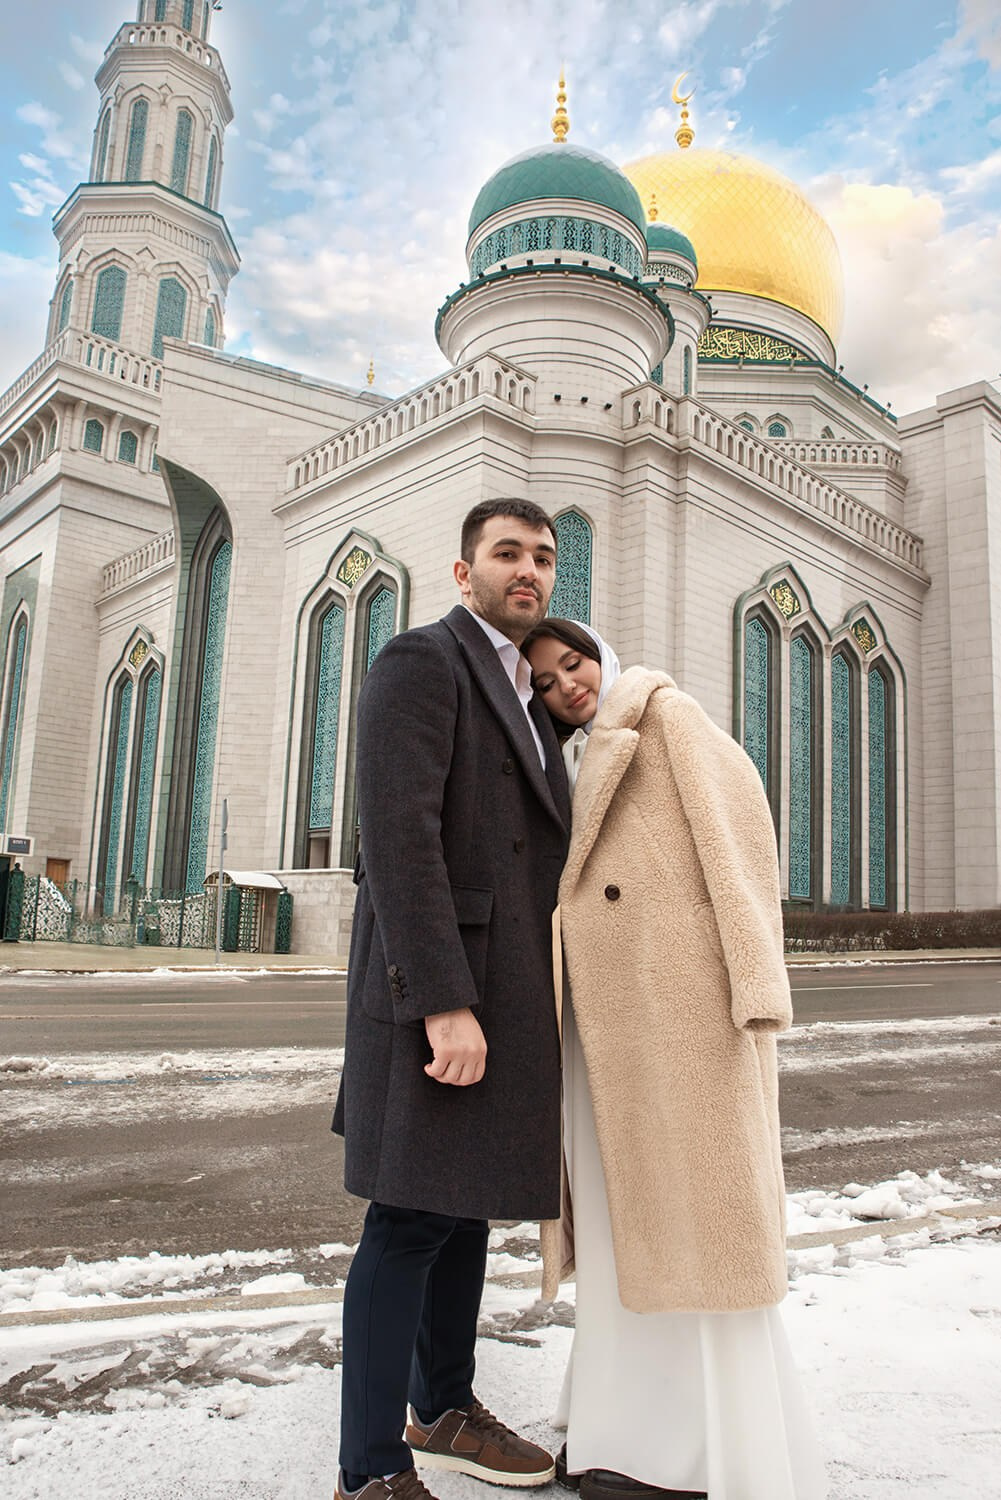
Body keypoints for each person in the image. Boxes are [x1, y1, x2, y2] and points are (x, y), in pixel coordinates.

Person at [522, 619, 827, 1500]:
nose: (564, 685)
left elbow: (740, 850)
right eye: (543, 682)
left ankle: (704, 1448)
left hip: (680, 1020)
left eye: (571, 663)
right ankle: (624, 1435)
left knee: (698, 1227)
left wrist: (757, 987)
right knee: (625, 1226)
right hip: (599, 1029)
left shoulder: (667, 716)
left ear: (601, 655)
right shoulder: (571, 759)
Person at [331, 501, 572, 1500]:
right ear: (462, 569)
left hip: (507, 993)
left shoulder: (524, 688)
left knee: (464, 1211)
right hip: (439, 995)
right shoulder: (421, 663)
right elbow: (398, 842)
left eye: (543, 558)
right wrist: (441, 1002)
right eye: (507, 554)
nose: (527, 571)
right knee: (408, 1220)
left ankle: (443, 1409)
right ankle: (370, 1470)